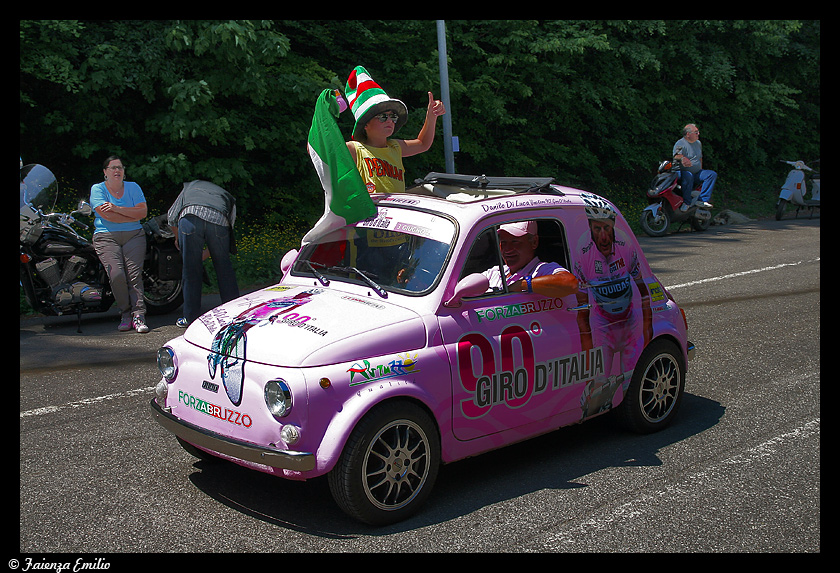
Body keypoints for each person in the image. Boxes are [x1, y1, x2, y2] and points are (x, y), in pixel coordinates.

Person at [343, 65, 446, 194]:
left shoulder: (395, 147)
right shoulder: (353, 149)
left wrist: (432, 115)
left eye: (393, 116)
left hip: (395, 212)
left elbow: (423, 143)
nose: (390, 121)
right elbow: (320, 152)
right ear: (365, 124)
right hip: (370, 213)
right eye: (383, 116)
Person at [167, 180, 240, 327]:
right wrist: (208, 253)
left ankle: (190, 317)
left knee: (190, 270)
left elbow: (171, 216)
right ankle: (234, 315)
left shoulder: (188, 188)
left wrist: (177, 239)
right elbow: (229, 225)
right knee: (224, 267)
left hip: (190, 218)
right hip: (219, 221)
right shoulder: (226, 196)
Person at [90, 155, 149, 333]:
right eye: (113, 167)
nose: (117, 170)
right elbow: (106, 215)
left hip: (134, 236)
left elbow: (143, 212)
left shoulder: (133, 187)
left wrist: (117, 208)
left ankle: (139, 315)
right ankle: (125, 313)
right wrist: (130, 213)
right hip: (106, 236)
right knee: (116, 275)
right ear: (105, 172)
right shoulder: (98, 189)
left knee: (134, 276)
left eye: (120, 168)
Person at [482, 220, 578, 298]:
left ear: (534, 242)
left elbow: (571, 283)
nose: (507, 249)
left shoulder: (542, 270)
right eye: (503, 242)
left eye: (515, 241)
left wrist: (522, 284)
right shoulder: (494, 273)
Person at [672, 123, 715, 210]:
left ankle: (702, 200)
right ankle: (686, 203)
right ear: (688, 134)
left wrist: (700, 168)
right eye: (696, 132)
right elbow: (676, 155)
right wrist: (683, 158)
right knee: (688, 175)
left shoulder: (698, 143)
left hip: (697, 172)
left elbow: (700, 158)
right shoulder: (680, 143)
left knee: (711, 174)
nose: (698, 134)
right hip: (683, 172)